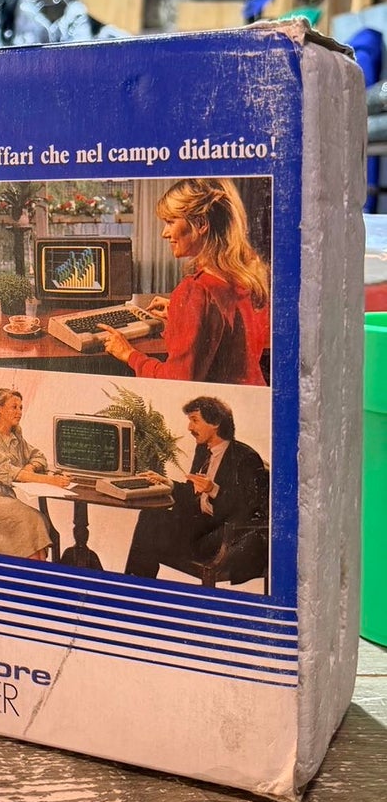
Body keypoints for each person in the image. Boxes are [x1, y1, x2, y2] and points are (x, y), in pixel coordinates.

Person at [100, 177, 270, 385]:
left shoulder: (195, 291)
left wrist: (130, 355)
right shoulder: (251, 274)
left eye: (170, 222)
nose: (164, 233)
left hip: (213, 402)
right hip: (254, 397)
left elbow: (176, 382)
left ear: (201, 224)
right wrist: (180, 315)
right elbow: (230, 340)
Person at [124, 395, 269, 583]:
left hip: (224, 535)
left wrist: (214, 490)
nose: (189, 427)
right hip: (200, 527)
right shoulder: (203, 450)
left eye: (194, 420)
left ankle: (137, 584)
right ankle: (136, 583)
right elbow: (193, 494)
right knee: (150, 516)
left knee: (151, 537)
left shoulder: (246, 458)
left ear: (215, 423)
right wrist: (168, 483)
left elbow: (249, 510)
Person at [0, 387, 70, 560]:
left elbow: (39, 456)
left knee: (39, 520)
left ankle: (34, 571)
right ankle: (29, 571)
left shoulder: (15, 435)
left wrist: (30, 466)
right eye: (14, 407)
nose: (19, 412)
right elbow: (8, 472)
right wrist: (50, 480)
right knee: (31, 519)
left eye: (21, 407)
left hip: (6, 496)